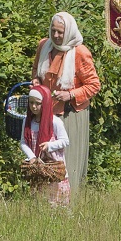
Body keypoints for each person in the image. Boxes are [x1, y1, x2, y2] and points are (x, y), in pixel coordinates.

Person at [32, 12, 101, 195]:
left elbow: (94, 85)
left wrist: (70, 94)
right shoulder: (44, 46)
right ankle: (47, 203)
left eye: (60, 32)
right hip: (46, 112)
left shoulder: (80, 52)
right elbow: (36, 73)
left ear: (69, 31)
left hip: (71, 114)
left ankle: (69, 203)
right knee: (45, 158)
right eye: (53, 31)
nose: (55, 36)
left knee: (67, 161)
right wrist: (36, 84)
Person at [19, 85, 70, 204]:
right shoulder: (27, 122)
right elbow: (23, 141)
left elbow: (65, 140)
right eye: (31, 103)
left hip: (54, 168)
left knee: (57, 203)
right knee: (39, 201)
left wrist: (50, 145)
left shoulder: (55, 122)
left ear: (45, 103)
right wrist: (31, 156)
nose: (34, 106)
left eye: (38, 103)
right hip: (38, 168)